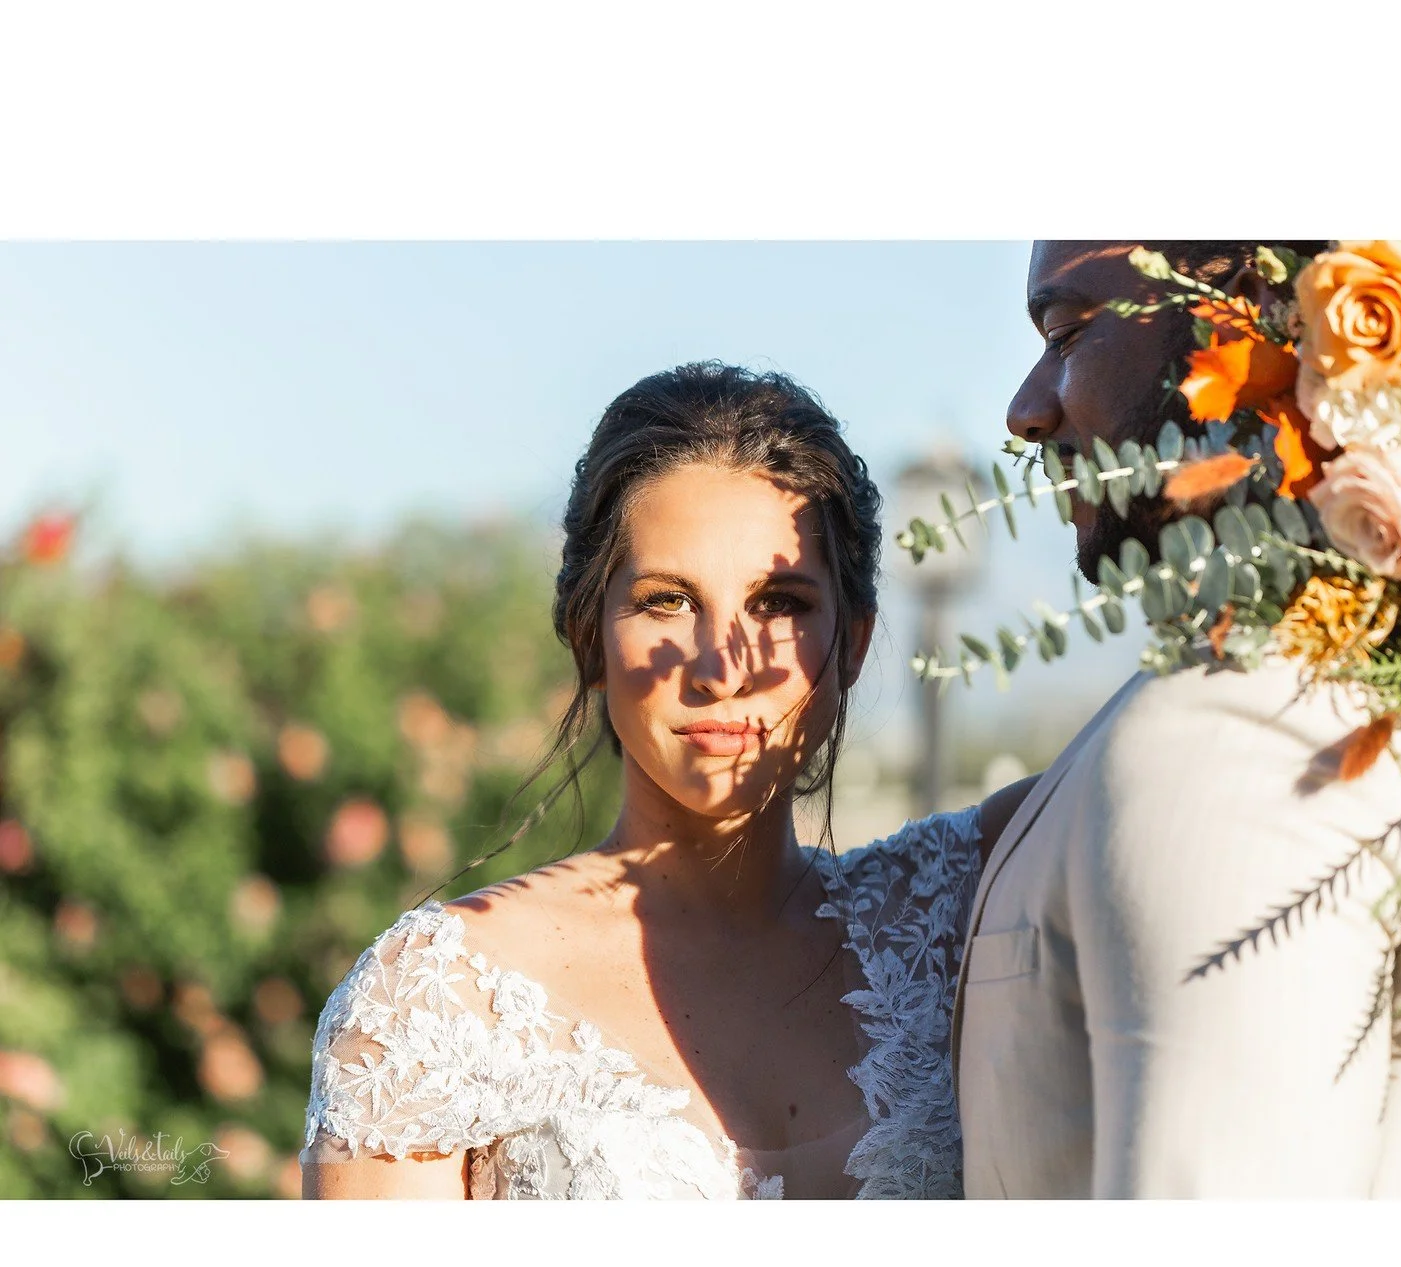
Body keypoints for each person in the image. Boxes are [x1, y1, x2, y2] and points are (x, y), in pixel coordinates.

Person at [301, 361, 1016, 1200]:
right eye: (668, 600)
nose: (723, 667)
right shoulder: (434, 1004)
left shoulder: (961, 914)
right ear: (589, 636)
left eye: (779, 602)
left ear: (853, 643)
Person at [954, 241, 1401, 1198]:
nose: (1025, 410)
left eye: (1067, 334)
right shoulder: (1343, 698)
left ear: (1246, 308)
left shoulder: (1242, 731)